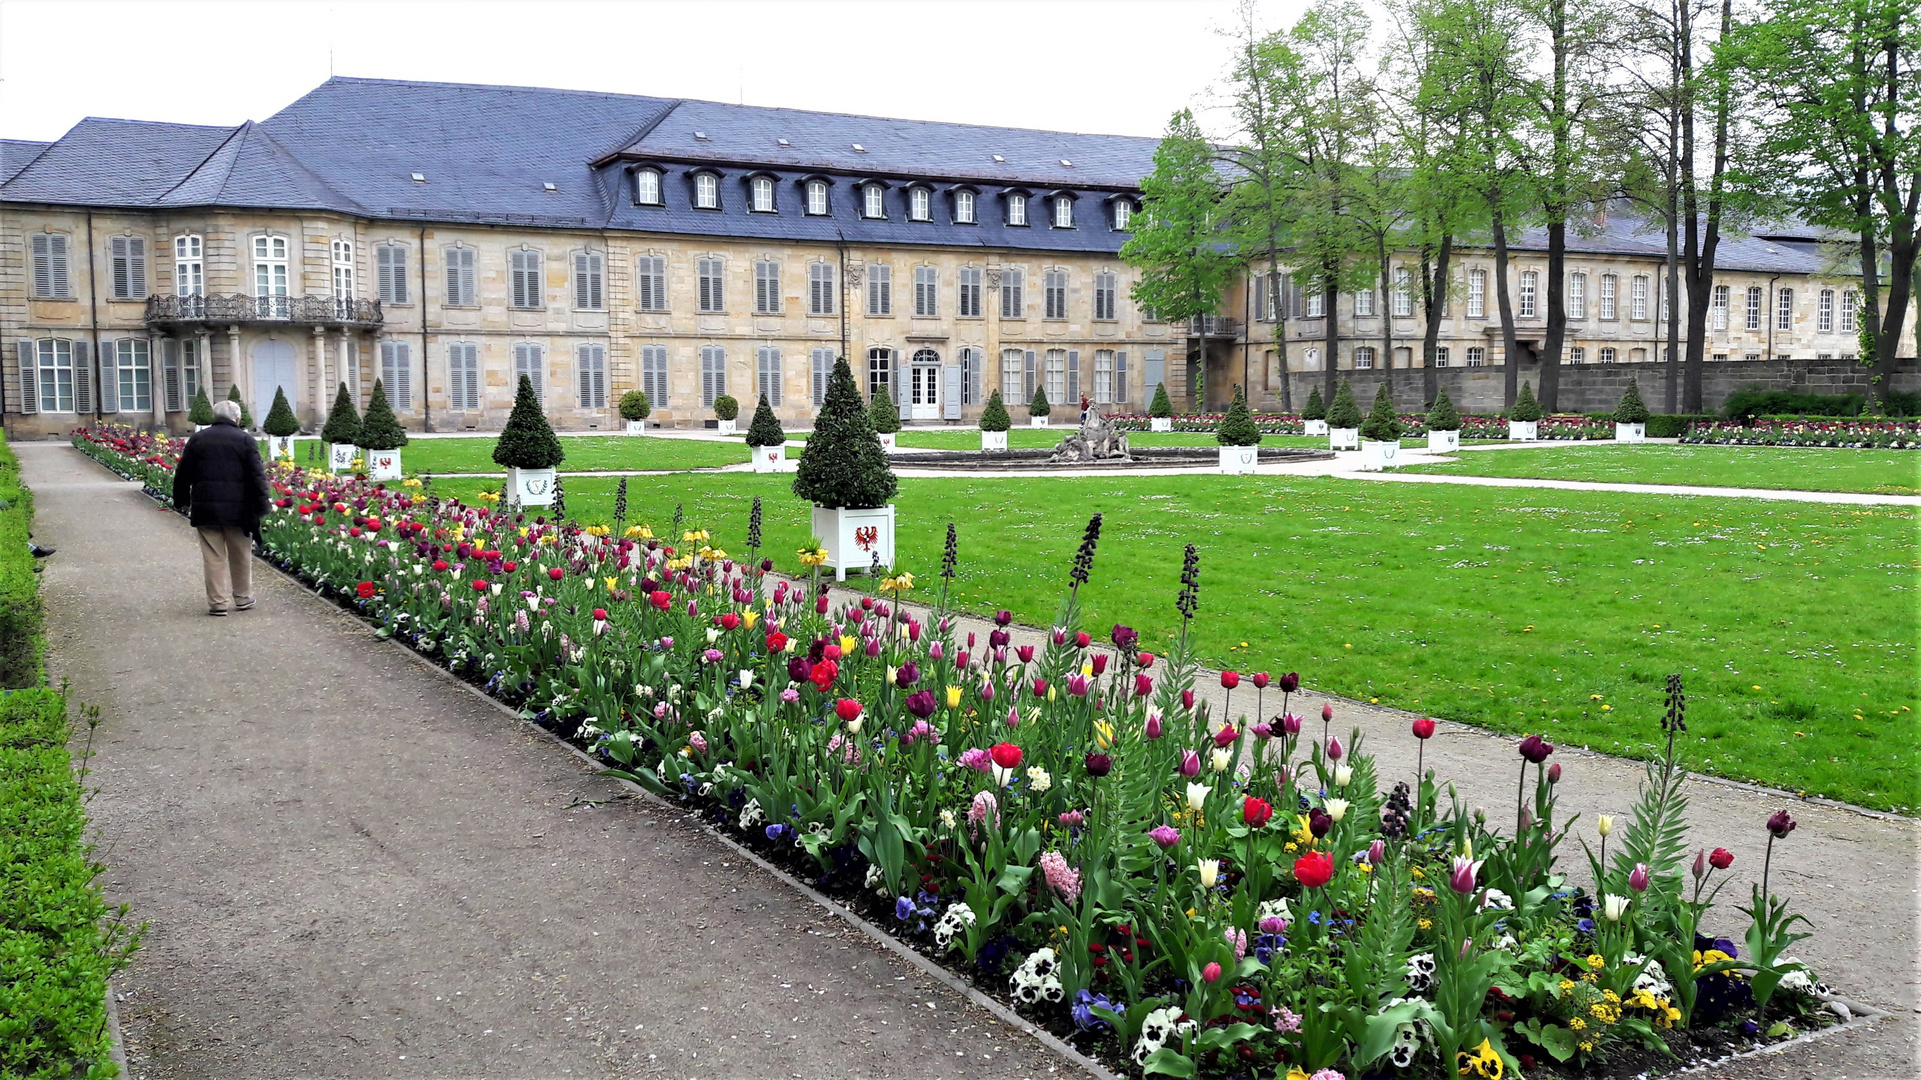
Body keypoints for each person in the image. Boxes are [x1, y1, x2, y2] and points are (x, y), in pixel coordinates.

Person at [172, 399, 270, 615]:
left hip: (206, 508)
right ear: (237, 418)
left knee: (213, 557)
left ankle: (218, 603)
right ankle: (243, 597)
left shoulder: (198, 439)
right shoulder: (245, 440)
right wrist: (262, 507)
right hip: (240, 510)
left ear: (214, 418)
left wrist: (181, 501)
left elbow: (183, 475)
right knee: (241, 555)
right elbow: (257, 478)